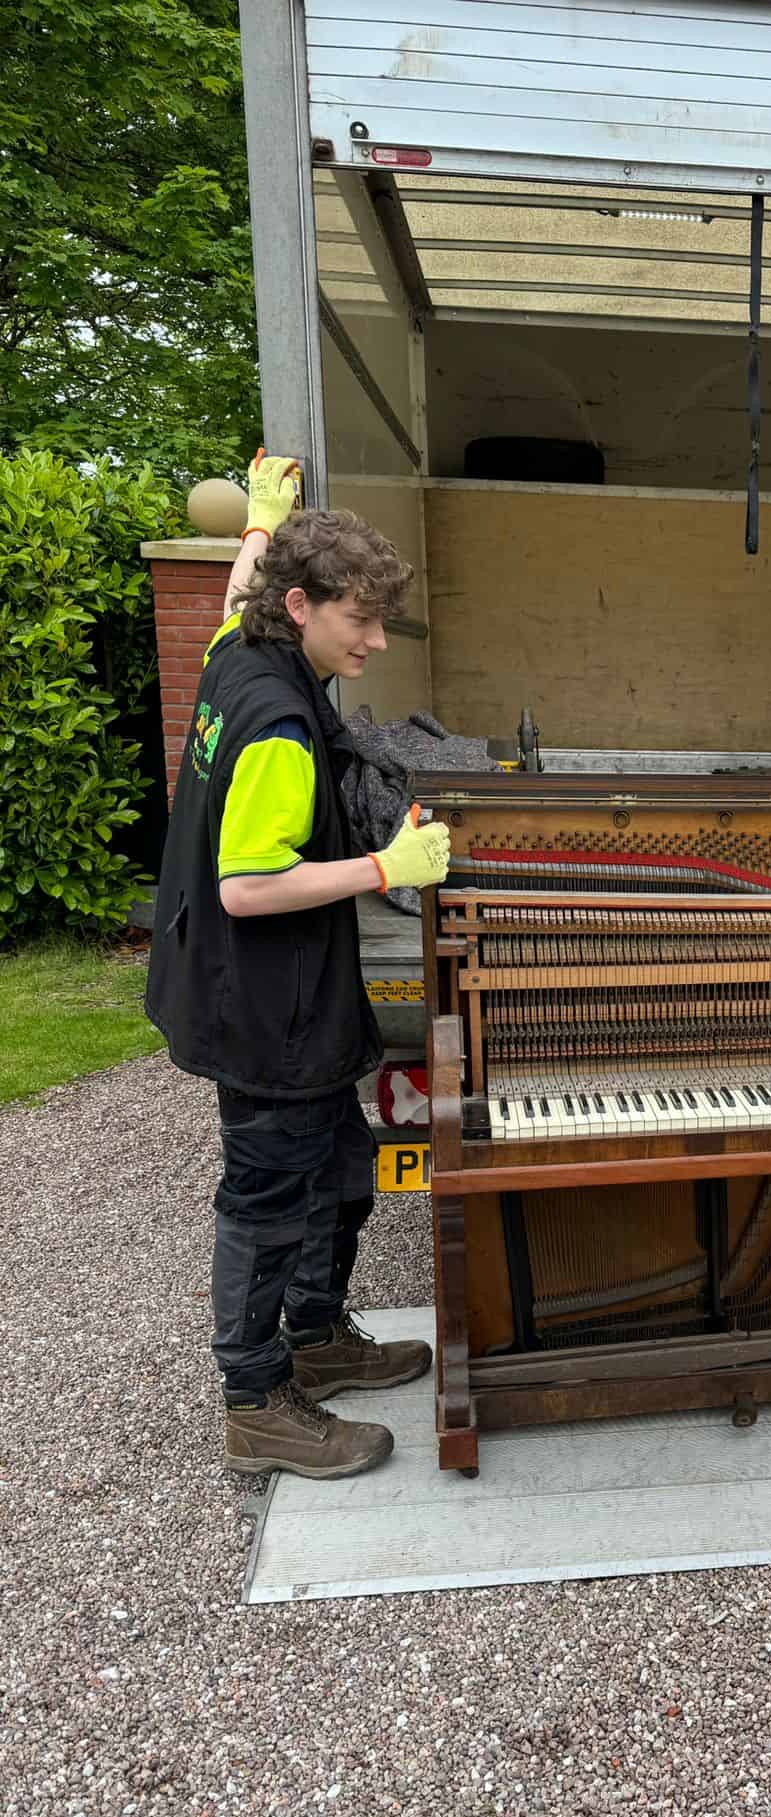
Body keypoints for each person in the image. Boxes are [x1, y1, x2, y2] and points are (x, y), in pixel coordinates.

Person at [146, 454, 453, 1477]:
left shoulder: (245, 640)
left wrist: (261, 520)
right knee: (269, 1202)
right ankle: (255, 1401)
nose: (372, 641)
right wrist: (384, 865)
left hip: (279, 996)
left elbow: (238, 592)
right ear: (302, 605)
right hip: (261, 1003)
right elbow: (248, 882)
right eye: (358, 620)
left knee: (343, 1173)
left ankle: (317, 1339)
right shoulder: (280, 723)